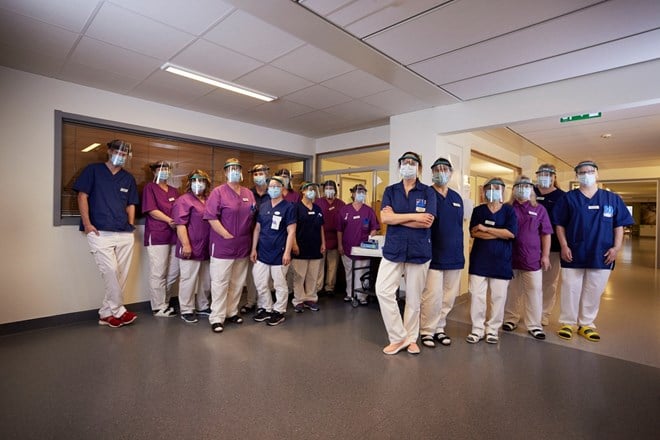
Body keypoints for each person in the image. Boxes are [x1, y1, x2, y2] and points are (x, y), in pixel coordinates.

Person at [553, 160, 633, 342]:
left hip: (602, 253)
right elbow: (560, 225)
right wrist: (564, 245)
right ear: (577, 176)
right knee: (570, 288)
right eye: (582, 172)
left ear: (597, 174)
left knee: (594, 289)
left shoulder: (612, 199)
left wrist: (616, 248)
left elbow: (619, 225)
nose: (586, 174)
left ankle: (586, 324)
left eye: (590, 171)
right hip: (573, 252)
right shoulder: (568, 198)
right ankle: (567, 323)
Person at [73, 139, 139, 328]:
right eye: (118, 152)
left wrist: (131, 224)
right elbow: (82, 196)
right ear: (109, 151)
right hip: (99, 231)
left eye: (124, 154)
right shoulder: (93, 170)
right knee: (110, 271)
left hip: (124, 232)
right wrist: (87, 224)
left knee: (121, 274)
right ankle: (119, 311)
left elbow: (131, 204)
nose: (121, 156)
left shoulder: (128, 178)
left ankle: (106, 313)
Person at [375, 151, 436, 355]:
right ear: (399, 166)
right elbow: (385, 219)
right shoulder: (390, 191)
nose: (408, 165)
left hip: (419, 250)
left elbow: (427, 222)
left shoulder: (428, 192)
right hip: (394, 249)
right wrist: (415, 217)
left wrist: (397, 217)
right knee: (382, 290)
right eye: (404, 162)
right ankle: (399, 337)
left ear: (419, 167)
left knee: (413, 299)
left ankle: (411, 339)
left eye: (412, 162)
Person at [203, 158, 256, 333]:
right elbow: (211, 217)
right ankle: (217, 317)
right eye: (230, 169)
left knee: (237, 282)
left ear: (241, 172)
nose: (234, 172)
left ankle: (231, 312)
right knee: (220, 283)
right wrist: (225, 234)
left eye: (237, 169)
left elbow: (252, 215)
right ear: (225, 172)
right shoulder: (218, 192)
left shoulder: (248, 193)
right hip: (222, 245)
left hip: (242, 245)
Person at [419, 158, 465, 348]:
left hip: (454, 255)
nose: (441, 172)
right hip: (433, 255)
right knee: (432, 296)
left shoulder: (456, 198)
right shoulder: (427, 194)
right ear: (432, 173)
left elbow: (459, 225)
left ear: (451, 173)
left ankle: (439, 327)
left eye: (445, 169)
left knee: (448, 297)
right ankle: (427, 331)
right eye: (437, 169)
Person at [466, 177, 517, 345]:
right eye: (490, 188)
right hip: (480, 260)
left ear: (503, 191)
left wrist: (486, 229)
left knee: (498, 297)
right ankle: (477, 329)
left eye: (497, 188)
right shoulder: (478, 210)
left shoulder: (509, 211)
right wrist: (498, 233)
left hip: (501, 262)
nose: (493, 191)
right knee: (477, 296)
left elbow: (511, 234)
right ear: (485, 191)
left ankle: (493, 329)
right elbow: (474, 233)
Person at [501, 176, 553, 340]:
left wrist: (545, 255)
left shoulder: (539, 209)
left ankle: (534, 325)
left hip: (532, 258)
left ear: (531, 189)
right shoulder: (507, 208)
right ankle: (510, 319)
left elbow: (546, 234)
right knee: (512, 291)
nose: (523, 189)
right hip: (510, 257)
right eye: (519, 186)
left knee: (534, 291)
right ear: (514, 189)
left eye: (526, 186)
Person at [250, 176, 296, 326]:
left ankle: (279, 311)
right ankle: (266, 307)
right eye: (271, 186)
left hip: (279, 252)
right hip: (262, 251)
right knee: (259, 281)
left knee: (279, 284)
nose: (273, 189)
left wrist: (287, 252)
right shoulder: (264, 206)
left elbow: (291, 231)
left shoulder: (288, 207)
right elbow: (257, 229)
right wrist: (253, 249)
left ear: (283, 189)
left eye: (277, 186)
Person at [172, 170, 212, 323]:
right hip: (190, 245)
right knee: (188, 279)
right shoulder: (183, 200)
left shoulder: (209, 200)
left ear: (206, 183)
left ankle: (203, 306)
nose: (198, 184)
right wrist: (186, 245)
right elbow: (180, 224)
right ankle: (187, 309)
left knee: (206, 279)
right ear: (190, 183)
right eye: (195, 181)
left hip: (207, 246)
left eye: (201, 180)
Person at [142, 161, 179, 317]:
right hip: (157, 234)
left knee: (173, 271)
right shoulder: (150, 188)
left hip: (174, 235)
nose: (164, 171)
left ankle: (165, 301)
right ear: (154, 172)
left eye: (167, 169)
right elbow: (151, 210)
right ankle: (158, 307)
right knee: (158, 272)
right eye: (161, 169)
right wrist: (169, 220)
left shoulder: (174, 191)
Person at [534, 163, 566, 325]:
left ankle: (543, 314)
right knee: (528, 282)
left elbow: (564, 223)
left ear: (554, 177)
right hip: (529, 246)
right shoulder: (530, 192)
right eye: (541, 175)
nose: (544, 178)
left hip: (553, 247)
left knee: (548, 283)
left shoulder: (562, 197)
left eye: (548, 175)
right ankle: (530, 312)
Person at [337, 184, 380, 305]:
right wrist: (340, 245)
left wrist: (371, 236)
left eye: (363, 192)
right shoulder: (344, 210)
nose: (361, 194)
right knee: (349, 272)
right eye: (358, 191)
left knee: (362, 273)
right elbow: (339, 229)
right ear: (352, 194)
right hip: (348, 247)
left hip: (364, 249)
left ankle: (362, 296)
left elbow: (374, 227)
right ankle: (350, 294)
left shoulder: (369, 211)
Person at [240, 164, 270, 315]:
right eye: (255, 173)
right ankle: (251, 301)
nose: (258, 176)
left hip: (268, 238)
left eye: (261, 173)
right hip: (251, 238)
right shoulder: (248, 194)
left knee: (265, 275)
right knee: (252, 274)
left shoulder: (272, 193)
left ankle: (263, 304)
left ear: (267, 174)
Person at [291, 182, 325, 313]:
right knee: (299, 276)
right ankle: (298, 300)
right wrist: (294, 244)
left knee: (313, 275)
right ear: (303, 191)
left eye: (313, 189)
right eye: (309, 189)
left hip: (315, 246)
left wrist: (323, 243)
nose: (312, 192)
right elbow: (292, 228)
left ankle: (311, 298)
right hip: (300, 247)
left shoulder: (317, 208)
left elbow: (321, 227)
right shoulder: (296, 208)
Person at [315, 180, 345, 296]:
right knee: (319, 265)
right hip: (320, 239)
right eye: (327, 188)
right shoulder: (318, 202)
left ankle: (330, 287)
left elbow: (343, 222)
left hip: (335, 239)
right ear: (323, 191)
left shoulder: (341, 204)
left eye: (331, 188)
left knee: (333, 265)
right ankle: (318, 287)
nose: (329, 190)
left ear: (335, 190)